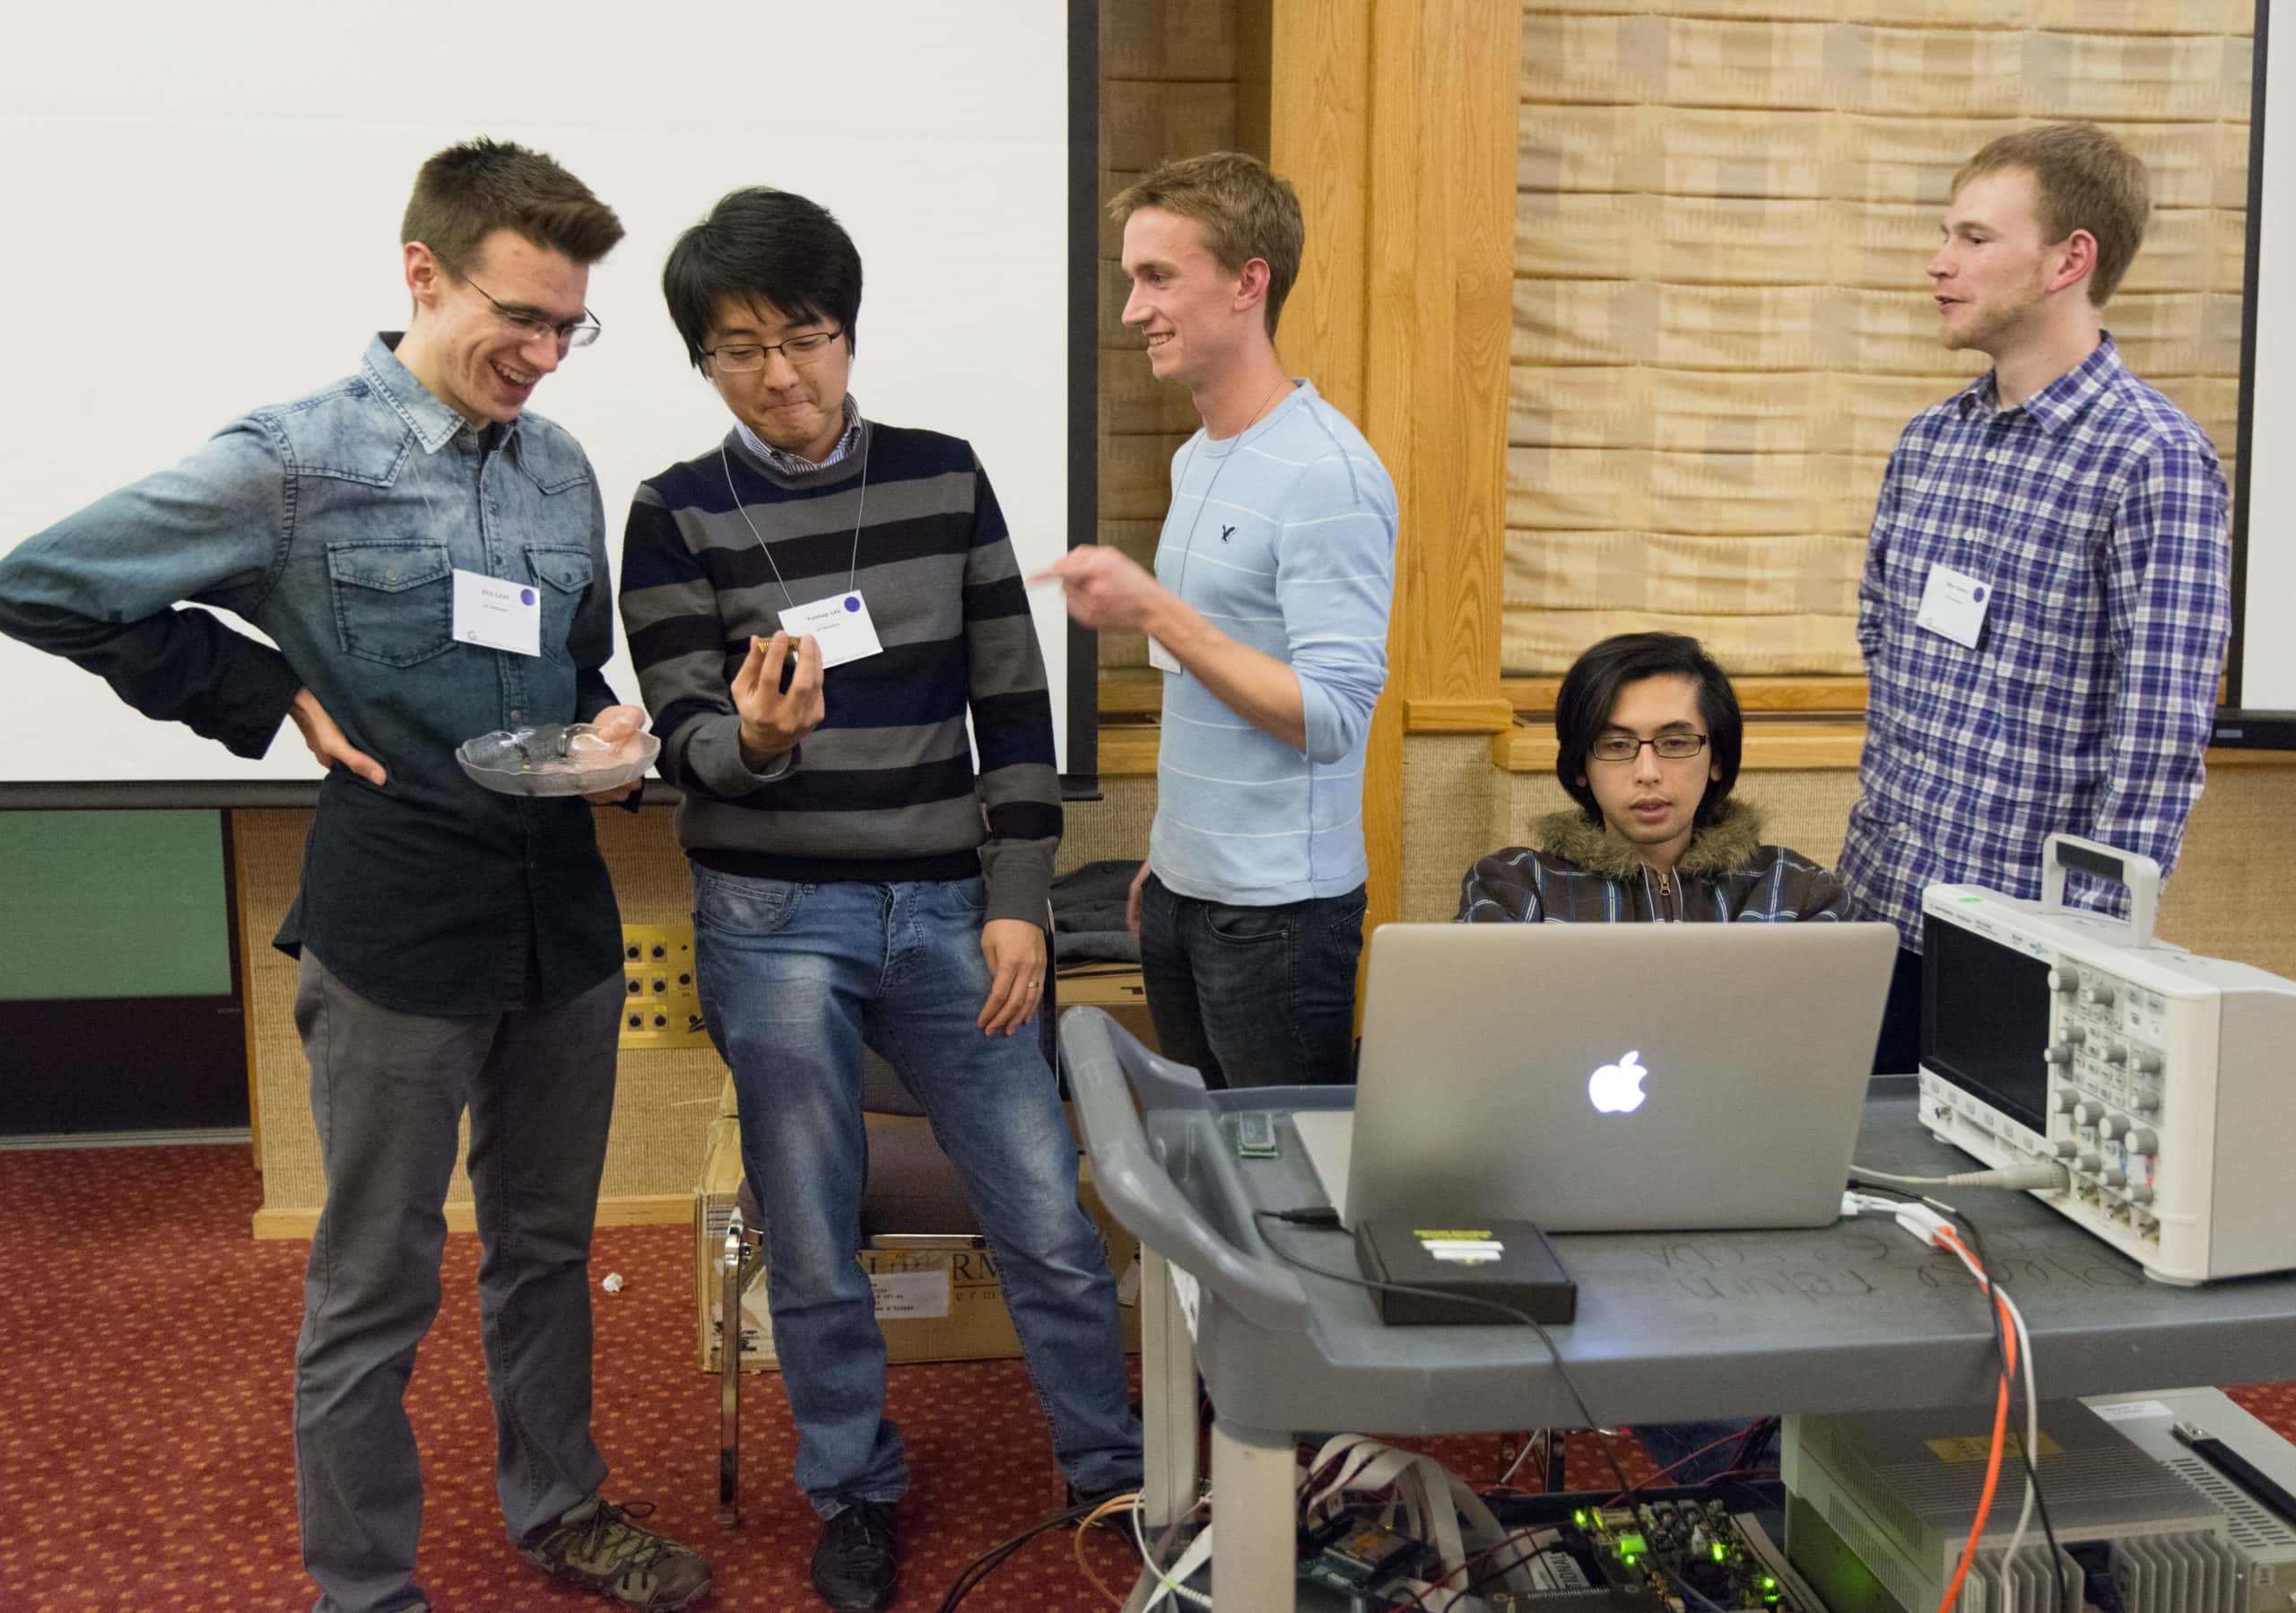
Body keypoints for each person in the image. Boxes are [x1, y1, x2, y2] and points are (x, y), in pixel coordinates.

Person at [0, 141, 709, 1612]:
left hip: (559, 916)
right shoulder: (291, 458)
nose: (542, 353)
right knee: (374, 1279)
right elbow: (39, 579)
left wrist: (606, 725)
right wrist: (258, 692)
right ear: (421, 272)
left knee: (542, 1250)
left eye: (569, 325)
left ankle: (559, 1504)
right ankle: (363, 1586)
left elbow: (565, 660)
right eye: (518, 315)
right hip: (396, 924)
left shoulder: (561, 465)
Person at [618, 187, 1141, 1613]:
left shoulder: (944, 473)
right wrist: (762, 742)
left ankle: (1113, 1473)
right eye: (739, 348)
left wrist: (1020, 894)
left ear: (849, 331)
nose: (780, 374)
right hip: (772, 920)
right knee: (812, 1223)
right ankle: (853, 1489)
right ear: (700, 362)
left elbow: (1014, 710)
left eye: (806, 334)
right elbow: (684, 738)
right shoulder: (672, 517)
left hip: (947, 906)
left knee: (1041, 1202)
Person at [1839, 122, 2231, 1073]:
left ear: (2069, 259)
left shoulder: (2152, 461)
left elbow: (2154, 746)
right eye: (1945, 235)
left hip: (2025, 957)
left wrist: (2084, 960)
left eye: (1973, 239)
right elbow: (1885, 645)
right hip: (1879, 916)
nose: (1939, 263)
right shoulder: (1929, 441)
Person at [1036, 152, 1397, 1088]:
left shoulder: (1330, 473)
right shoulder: (1197, 457)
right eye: (1131, 280)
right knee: (1204, 1174)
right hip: (1182, 896)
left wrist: (1151, 607)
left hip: (1279, 917)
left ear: (1248, 282)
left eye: (1158, 277)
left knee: (1279, 1203)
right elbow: (1211, 687)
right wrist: (1170, 858)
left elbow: (1331, 717)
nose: (1131, 310)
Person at [1459, 632, 1851, 925]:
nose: (1647, 773)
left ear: (1717, 758)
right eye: (1615, 745)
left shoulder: (1797, 890)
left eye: (1676, 742)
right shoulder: (1516, 888)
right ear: (1581, 766)